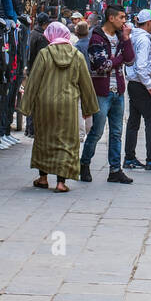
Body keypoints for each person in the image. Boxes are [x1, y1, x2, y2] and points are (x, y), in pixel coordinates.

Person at [20, 21, 98, 192]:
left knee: (44, 139)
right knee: (66, 142)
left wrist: (26, 106)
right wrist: (89, 109)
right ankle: (61, 183)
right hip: (68, 105)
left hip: (44, 104)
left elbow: (33, 81)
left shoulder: (44, 54)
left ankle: (42, 178)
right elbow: (86, 83)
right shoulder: (76, 55)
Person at [82, 4, 136, 184]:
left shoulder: (121, 38)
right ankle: (85, 163)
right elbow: (101, 65)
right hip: (101, 91)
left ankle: (115, 170)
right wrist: (117, 59)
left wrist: (126, 40)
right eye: (121, 17)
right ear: (111, 18)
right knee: (96, 131)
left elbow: (130, 60)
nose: (124, 21)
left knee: (116, 132)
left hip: (118, 91)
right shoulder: (96, 39)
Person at [124, 9, 151, 171]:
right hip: (142, 84)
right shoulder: (144, 40)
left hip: (133, 83)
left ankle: (130, 157)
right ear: (147, 23)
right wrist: (149, 86)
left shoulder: (133, 37)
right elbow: (141, 66)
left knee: (133, 122)